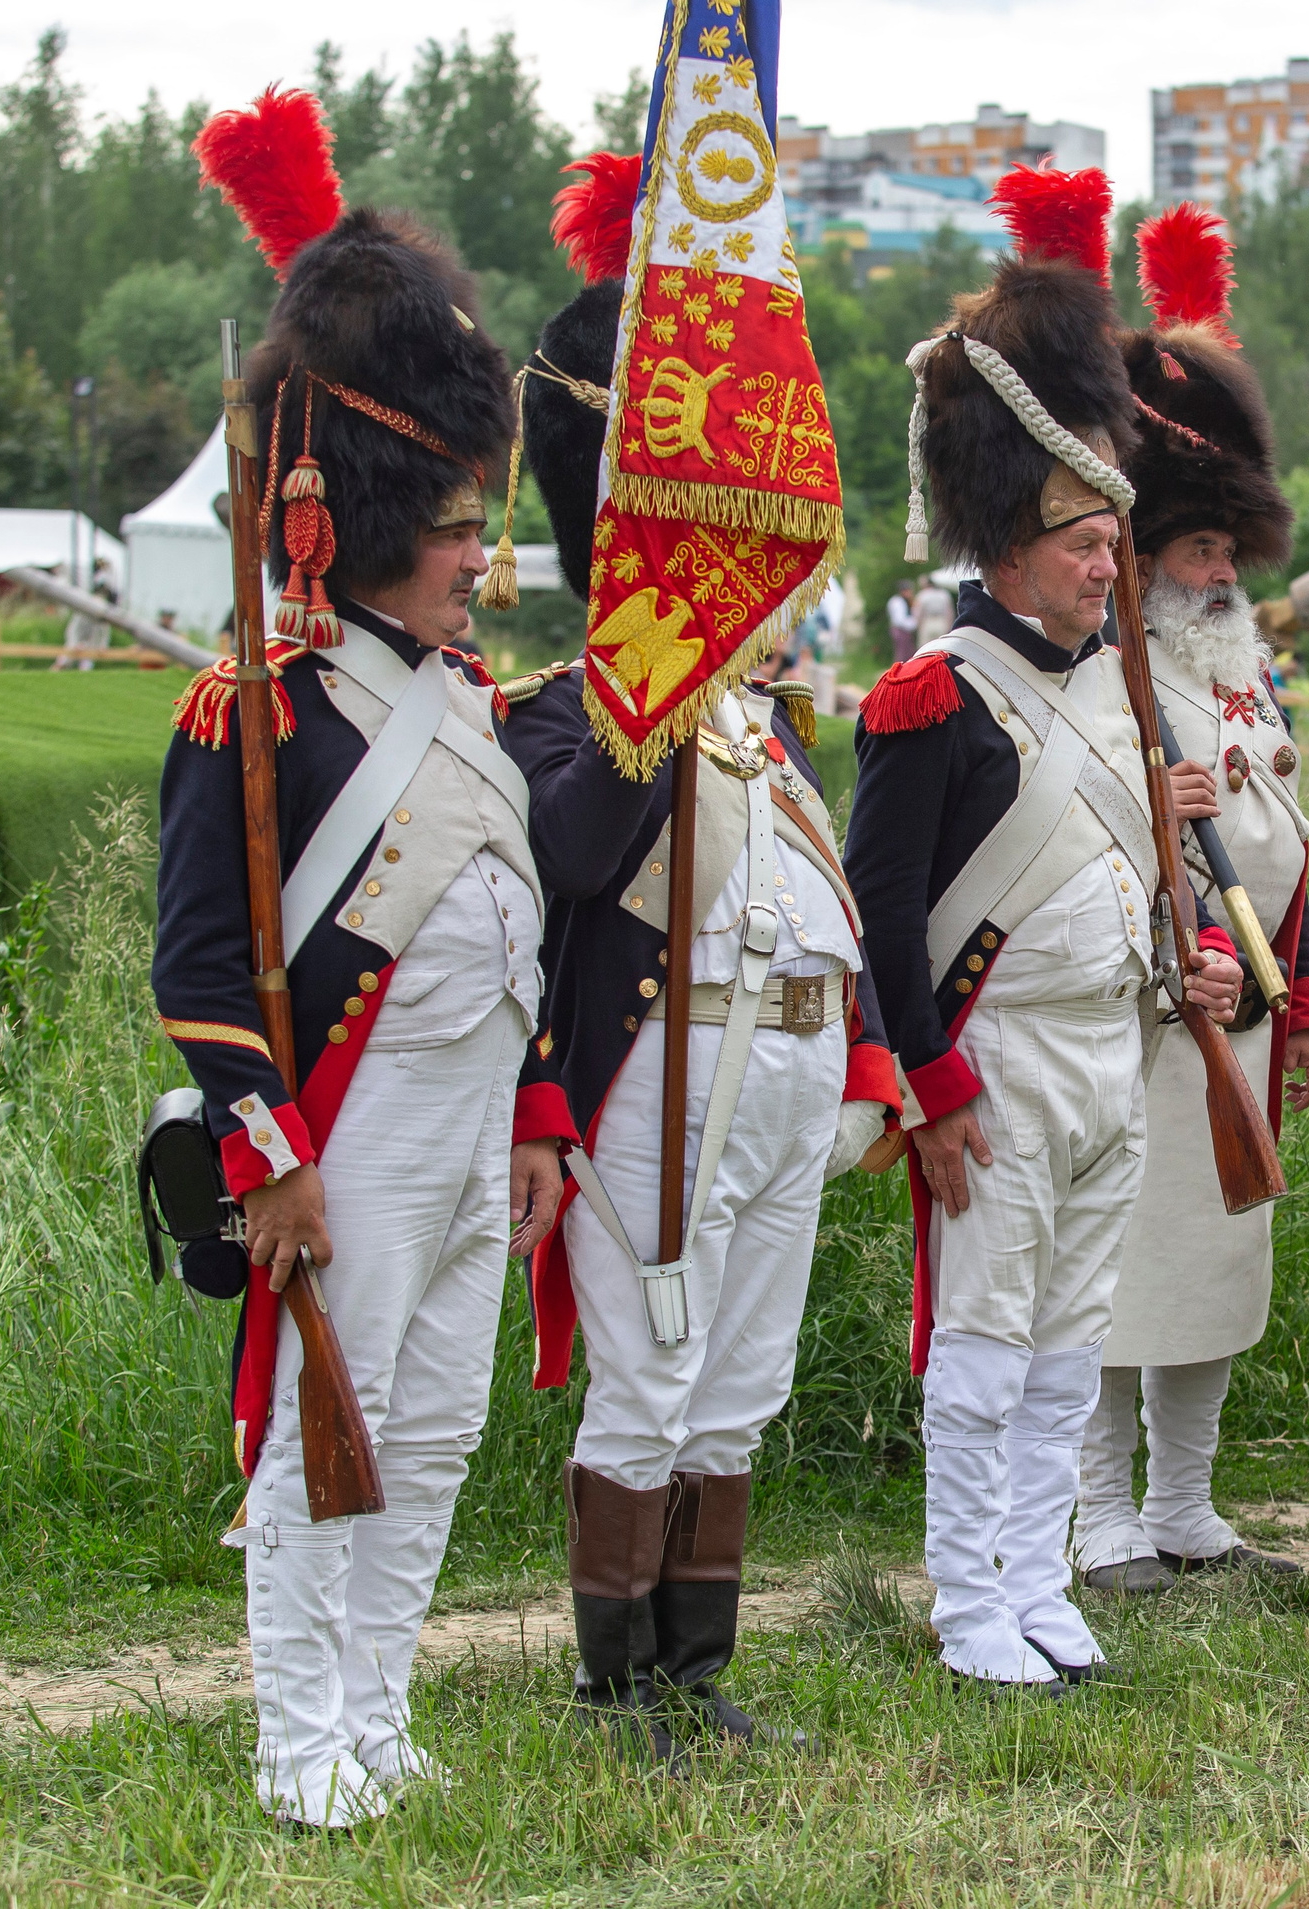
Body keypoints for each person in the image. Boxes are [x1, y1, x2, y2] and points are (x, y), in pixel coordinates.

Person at [159, 129, 571, 1826]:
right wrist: (268, 1151)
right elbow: (200, 966)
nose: (482, 558)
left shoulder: (467, 701)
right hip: (352, 1122)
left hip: (476, 1115)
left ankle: (381, 1711)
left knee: (440, 1423)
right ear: (375, 521)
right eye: (460, 528)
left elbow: (512, 933)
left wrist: (537, 1112)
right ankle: (300, 1739)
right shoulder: (257, 710)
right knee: (330, 1423)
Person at [500, 202, 901, 1754]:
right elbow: (572, 859)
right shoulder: (570, 709)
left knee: (740, 1386)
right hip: (663, 1082)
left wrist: (866, 1066)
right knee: (654, 1382)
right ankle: (615, 1687)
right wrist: (649, 684)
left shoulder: (768, 730)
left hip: (786, 1082)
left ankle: (694, 1670)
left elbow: (828, 914)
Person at [843, 169, 1242, 1691]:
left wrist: (1193, 961)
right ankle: (970, 1600)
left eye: (1113, 540)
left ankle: (1039, 1577)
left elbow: (1143, 876)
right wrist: (930, 1081)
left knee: (1072, 1332)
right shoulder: (933, 695)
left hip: (1111, 1052)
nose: (1107, 565)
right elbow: (884, 912)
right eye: (1084, 540)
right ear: (1013, 539)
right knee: (987, 1340)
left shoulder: (1122, 695)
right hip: (995, 1060)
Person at [1072, 223, 1309, 1590]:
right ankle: (1097, 1514)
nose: (1223, 571)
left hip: (1242, 1016)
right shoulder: (1101, 677)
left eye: (1231, 546)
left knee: (1217, 1276)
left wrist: (1305, 1011)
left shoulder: (1240, 679)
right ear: (1139, 559)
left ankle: (1184, 1504)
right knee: (1123, 1278)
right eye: (1195, 546)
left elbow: (1286, 852)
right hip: (1140, 1018)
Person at [888, 578, 921, 666]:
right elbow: (900, 620)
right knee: (902, 653)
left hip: (904, 630)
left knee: (908, 652)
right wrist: (914, 624)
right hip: (900, 630)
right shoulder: (897, 602)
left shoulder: (906, 601)